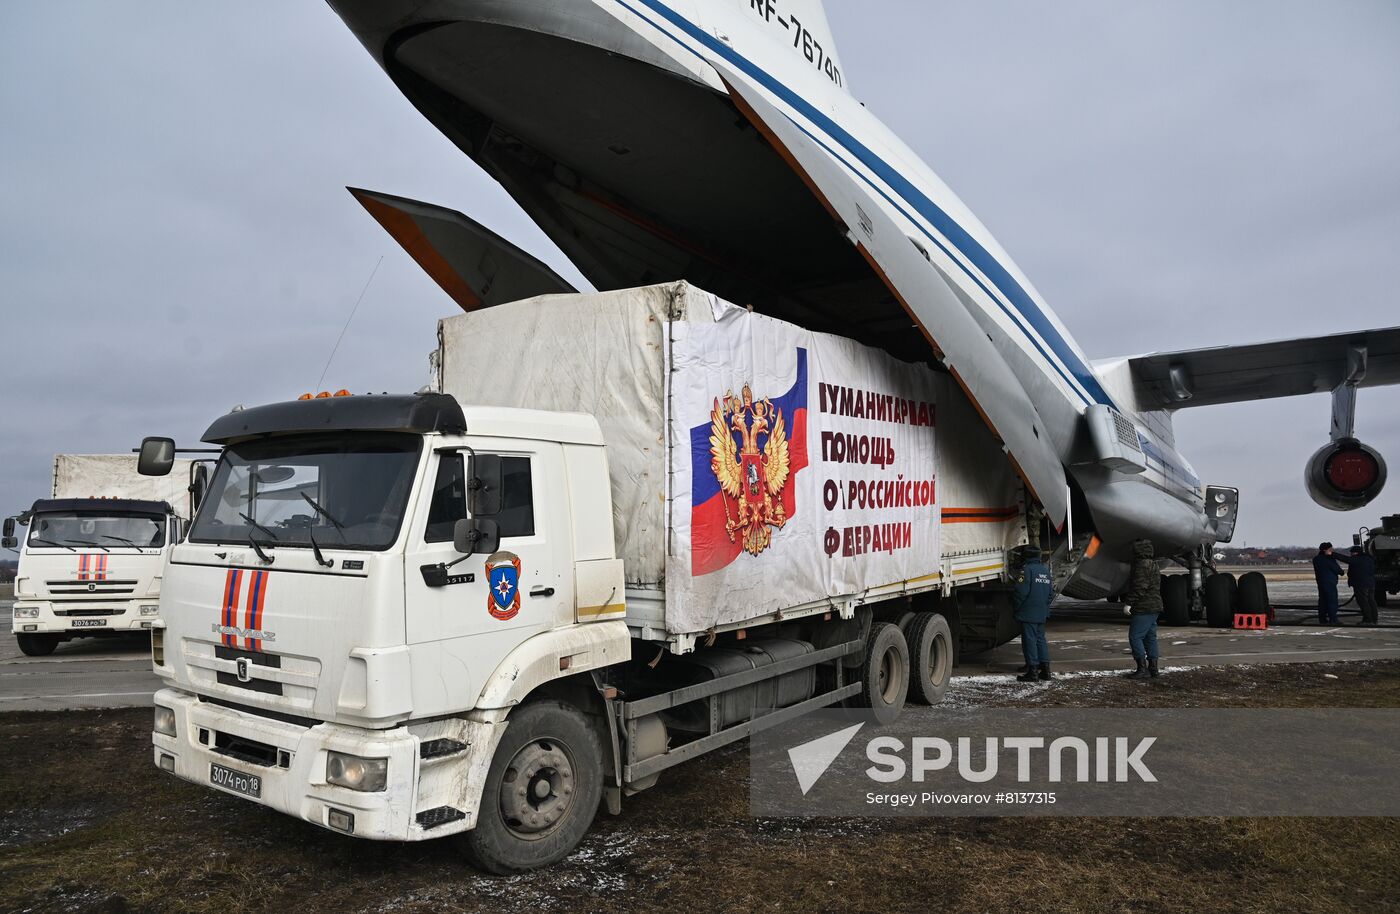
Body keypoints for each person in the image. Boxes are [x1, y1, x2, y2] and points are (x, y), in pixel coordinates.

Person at [1121, 538, 1164, 679]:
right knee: (1150, 638)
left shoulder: (1141, 565)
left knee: (1135, 636)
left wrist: (1129, 603)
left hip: (1143, 607)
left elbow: (1140, 587)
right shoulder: (1154, 564)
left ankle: (1142, 668)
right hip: (1155, 606)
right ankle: (1153, 668)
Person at [1013, 546, 1055, 682]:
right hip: (1041, 612)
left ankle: (1033, 672)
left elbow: (1020, 593)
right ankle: (1046, 670)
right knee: (1040, 640)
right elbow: (1051, 594)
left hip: (1028, 612)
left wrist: (1016, 607)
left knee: (1029, 641)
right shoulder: (1045, 571)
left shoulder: (1026, 571)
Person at [1312, 542, 1350, 625]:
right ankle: (1333, 619)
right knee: (1332, 601)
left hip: (1320, 583)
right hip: (1330, 583)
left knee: (1322, 601)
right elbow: (1337, 569)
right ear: (1325, 550)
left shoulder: (1316, 559)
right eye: (1330, 549)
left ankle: (1322, 619)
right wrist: (1341, 572)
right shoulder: (1329, 559)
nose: (1332, 551)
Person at [1347, 545, 1379, 627]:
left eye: (1352, 553)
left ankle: (1368, 620)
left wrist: (1332, 554)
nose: (1351, 555)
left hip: (1361, 584)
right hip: (1371, 584)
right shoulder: (1369, 559)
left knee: (1363, 602)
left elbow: (1346, 560)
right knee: (1371, 601)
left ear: (1355, 553)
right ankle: (1374, 619)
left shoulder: (1357, 559)